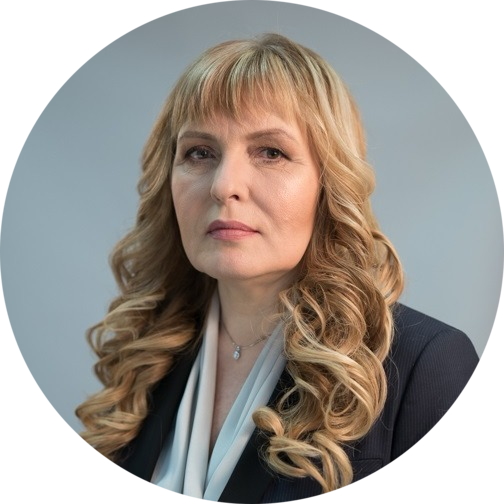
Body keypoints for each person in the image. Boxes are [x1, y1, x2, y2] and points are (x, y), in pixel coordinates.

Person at [75, 33, 478, 502]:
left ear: (329, 184)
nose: (224, 185)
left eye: (270, 152)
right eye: (199, 153)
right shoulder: (146, 360)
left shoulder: (426, 365)